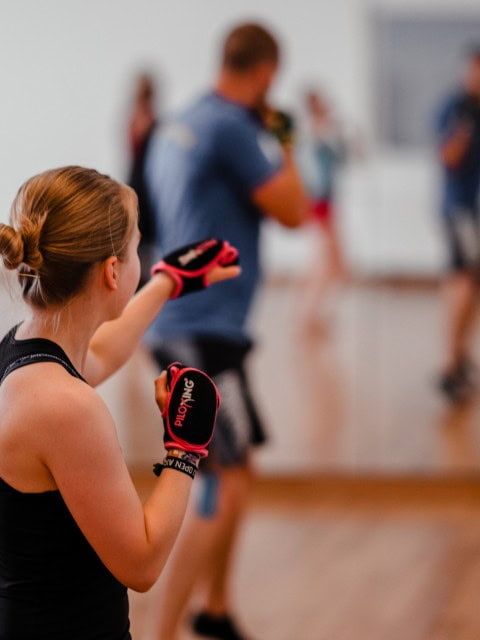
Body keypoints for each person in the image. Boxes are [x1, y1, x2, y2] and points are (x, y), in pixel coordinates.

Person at [0, 166, 239, 639]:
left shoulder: (20, 350)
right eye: (136, 250)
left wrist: (167, 281)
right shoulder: (67, 409)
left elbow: (104, 350)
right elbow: (143, 562)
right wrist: (185, 450)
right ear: (113, 271)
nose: (139, 261)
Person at [144, 21, 308, 640]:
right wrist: (286, 140)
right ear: (266, 73)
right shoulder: (236, 129)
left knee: (240, 470)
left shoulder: (178, 124)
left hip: (189, 324)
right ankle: (165, 631)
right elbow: (294, 211)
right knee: (222, 480)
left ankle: (215, 607)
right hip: (201, 330)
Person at [435, 46, 480, 403]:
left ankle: (461, 358)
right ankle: (450, 364)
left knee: (473, 286)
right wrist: (464, 127)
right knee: (463, 281)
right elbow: (448, 157)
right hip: (460, 210)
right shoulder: (456, 107)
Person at [295, 89, 350, 335]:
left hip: (326, 201)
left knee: (334, 262)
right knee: (324, 261)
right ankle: (309, 315)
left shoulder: (326, 131)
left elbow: (344, 158)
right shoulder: (313, 132)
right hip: (317, 202)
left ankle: (316, 312)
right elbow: (310, 172)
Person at [127, 73, 160, 286]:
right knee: (139, 238)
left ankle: (141, 279)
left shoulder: (138, 118)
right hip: (143, 184)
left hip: (141, 182)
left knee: (142, 239)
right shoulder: (143, 120)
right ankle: (138, 281)